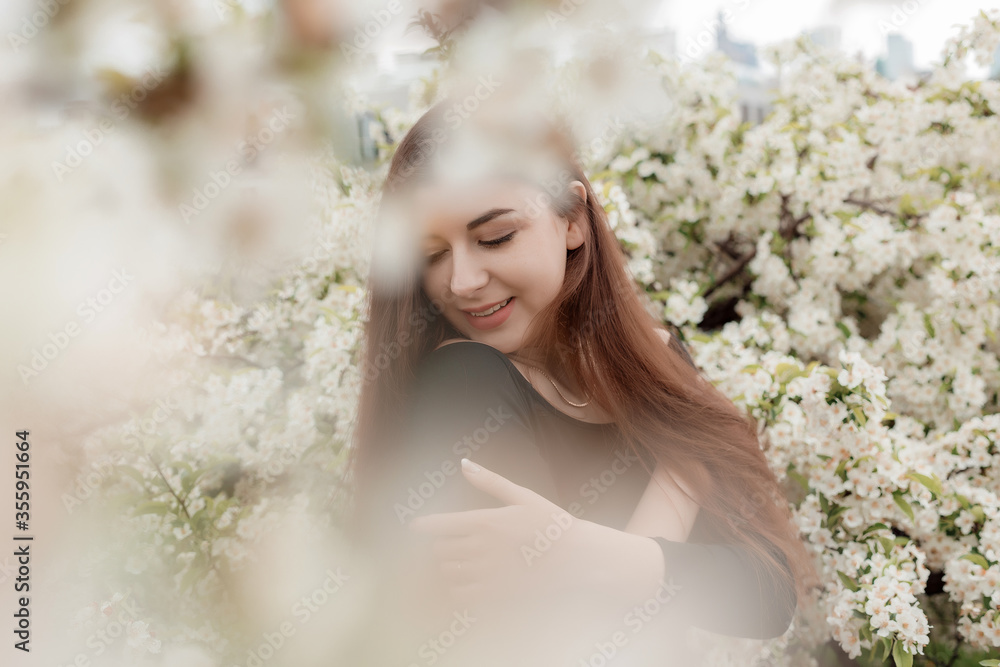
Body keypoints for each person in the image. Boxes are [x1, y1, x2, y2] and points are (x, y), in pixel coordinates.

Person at [339, 89, 820, 666]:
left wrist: (580, 548)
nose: (462, 280)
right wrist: (679, 474)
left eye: (495, 237)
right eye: (433, 254)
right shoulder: (464, 382)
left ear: (571, 220)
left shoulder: (651, 363)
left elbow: (767, 592)